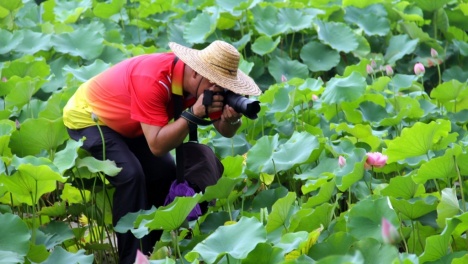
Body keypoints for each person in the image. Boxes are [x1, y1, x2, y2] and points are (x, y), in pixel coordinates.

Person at [62, 40, 261, 264]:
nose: (220, 91)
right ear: (196, 73)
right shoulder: (153, 79)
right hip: (89, 117)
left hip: (134, 124)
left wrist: (231, 119)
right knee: (131, 175)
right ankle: (130, 260)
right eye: (218, 85)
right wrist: (194, 113)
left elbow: (225, 131)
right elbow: (157, 146)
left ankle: (152, 252)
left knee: (166, 174)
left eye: (225, 87)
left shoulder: (205, 85)